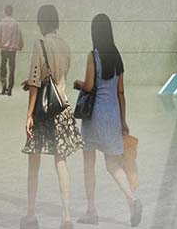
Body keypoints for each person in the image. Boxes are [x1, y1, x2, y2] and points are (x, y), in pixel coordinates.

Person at [74, 14, 141, 226]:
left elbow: (89, 86)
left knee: (89, 165)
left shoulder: (93, 56)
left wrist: (77, 83)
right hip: (112, 118)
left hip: (94, 117)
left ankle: (91, 211)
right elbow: (121, 92)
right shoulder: (117, 57)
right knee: (112, 164)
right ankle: (132, 200)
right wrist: (123, 121)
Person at [23, 4, 83, 229]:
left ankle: (31, 215)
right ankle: (66, 217)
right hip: (63, 108)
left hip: (42, 113)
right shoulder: (65, 46)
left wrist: (29, 115)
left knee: (34, 161)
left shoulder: (40, 45)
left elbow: (36, 83)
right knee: (61, 161)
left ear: (42, 22)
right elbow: (58, 78)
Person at [0, 5, 24, 96]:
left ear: (5, 11)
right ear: (12, 12)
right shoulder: (16, 23)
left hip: (4, 49)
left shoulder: (2, 22)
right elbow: (19, 34)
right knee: (12, 69)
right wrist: (21, 44)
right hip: (13, 49)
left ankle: (3, 85)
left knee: (3, 68)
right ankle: (10, 88)